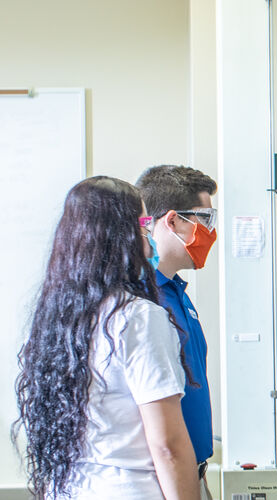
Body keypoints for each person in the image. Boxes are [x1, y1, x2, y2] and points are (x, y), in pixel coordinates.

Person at [13, 176, 199, 500]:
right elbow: (167, 445)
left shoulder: (54, 322)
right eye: (143, 222)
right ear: (121, 234)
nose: (148, 232)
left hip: (70, 489)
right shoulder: (138, 317)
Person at [136, 165, 218, 499]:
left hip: (193, 473)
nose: (211, 232)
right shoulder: (142, 303)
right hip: (160, 482)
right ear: (172, 221)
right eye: (205, 220)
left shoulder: (177, 292)